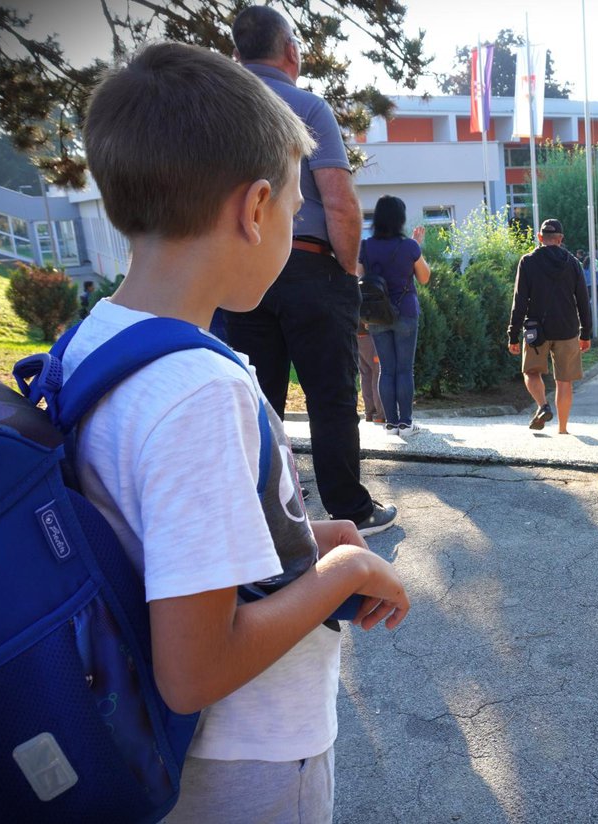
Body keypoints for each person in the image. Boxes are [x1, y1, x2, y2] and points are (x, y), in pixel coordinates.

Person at [72, 41, 410, 822]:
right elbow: (196, 667)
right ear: (254, 210)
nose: (296, 224)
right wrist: (349, 572)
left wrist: (308, 538)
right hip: (248, 761)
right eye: (295, 208)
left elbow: (156, 531)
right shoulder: (201, 391)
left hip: (170, 749)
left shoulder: (98, 340)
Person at [225, 6, 396, 533]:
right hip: (310, 265)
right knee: (330, 395)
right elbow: (340, 204)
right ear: (291, 52)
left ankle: (261, 515)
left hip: (241, 271)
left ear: (237, 52)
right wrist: (348, 274)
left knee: (257, 397)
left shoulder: (216, 113)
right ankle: (349, 509)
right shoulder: (307, 108)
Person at [508, 218, 593, 434]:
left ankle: (542, 405)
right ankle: (563, 429)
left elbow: (519, 301)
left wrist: (513, 334)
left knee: (531, 372)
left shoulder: (527, 262)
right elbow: (583, 300)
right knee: (564, 381)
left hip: (537, 330)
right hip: (567, 329)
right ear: (561, 239)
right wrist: (586, 333)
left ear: (539, 237)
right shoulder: (573, 263)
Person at [362, 195, 431, 437]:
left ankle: (390, 424)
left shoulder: (366, 246)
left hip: (377, 315)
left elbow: (359, 278)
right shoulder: (409, 247)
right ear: (400, 219)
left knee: (387, 370)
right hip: (406, 313)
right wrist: (416, 247)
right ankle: (406, 423)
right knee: (404, 370)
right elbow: (424, 277)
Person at [357, 320, 382, 424]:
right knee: (378, 374)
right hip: (370, 335)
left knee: (365, 375)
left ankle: (369, 413)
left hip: (357, 335)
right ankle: (381, 414)